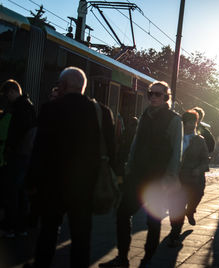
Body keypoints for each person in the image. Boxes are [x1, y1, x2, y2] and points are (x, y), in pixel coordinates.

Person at [25, 67, 116, 268]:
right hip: (85, 187)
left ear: (64, 85)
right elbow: (112, 150)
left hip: (53, 186)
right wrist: (117, 179)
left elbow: (39, 150)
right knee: (81, 239)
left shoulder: (50, 109)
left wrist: (31, 181)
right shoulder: (101, 112)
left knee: (48, 234)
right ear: (83, 86)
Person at [100, 81, 183, 268]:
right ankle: (122, 257)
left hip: (157, 178)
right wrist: (129, 166)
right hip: (137, 174)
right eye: (150, 94)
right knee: (122, 213)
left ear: (166, 98)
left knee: (152, 221)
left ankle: (147, 259)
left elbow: (176, 153)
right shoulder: (145, 115)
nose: (153, 97)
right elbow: (136, 143)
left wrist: (169, 178)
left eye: (158, 94)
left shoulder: (174, 120)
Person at [0, 79, 36, 238]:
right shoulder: (29, 105)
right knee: (21, 193)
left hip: (18, 155)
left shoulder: (19, 108)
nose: (7, 98)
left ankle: (10, 226)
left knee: (12, 191)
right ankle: (21, 227)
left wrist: (9, 148)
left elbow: (15, 133)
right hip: (25, 155)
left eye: (7, 94)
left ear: (13, 91)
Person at [179, 110, 209, 226]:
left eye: (193, 122)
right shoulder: (177, 138)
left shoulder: (199, 140)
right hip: (179, 177)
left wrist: (199, 169)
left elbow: (205, 159)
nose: (191, 125)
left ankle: (190, 211)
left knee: (197, 195)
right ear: (183, 123)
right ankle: (175, 232)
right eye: (188, 122)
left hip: (195, 177)